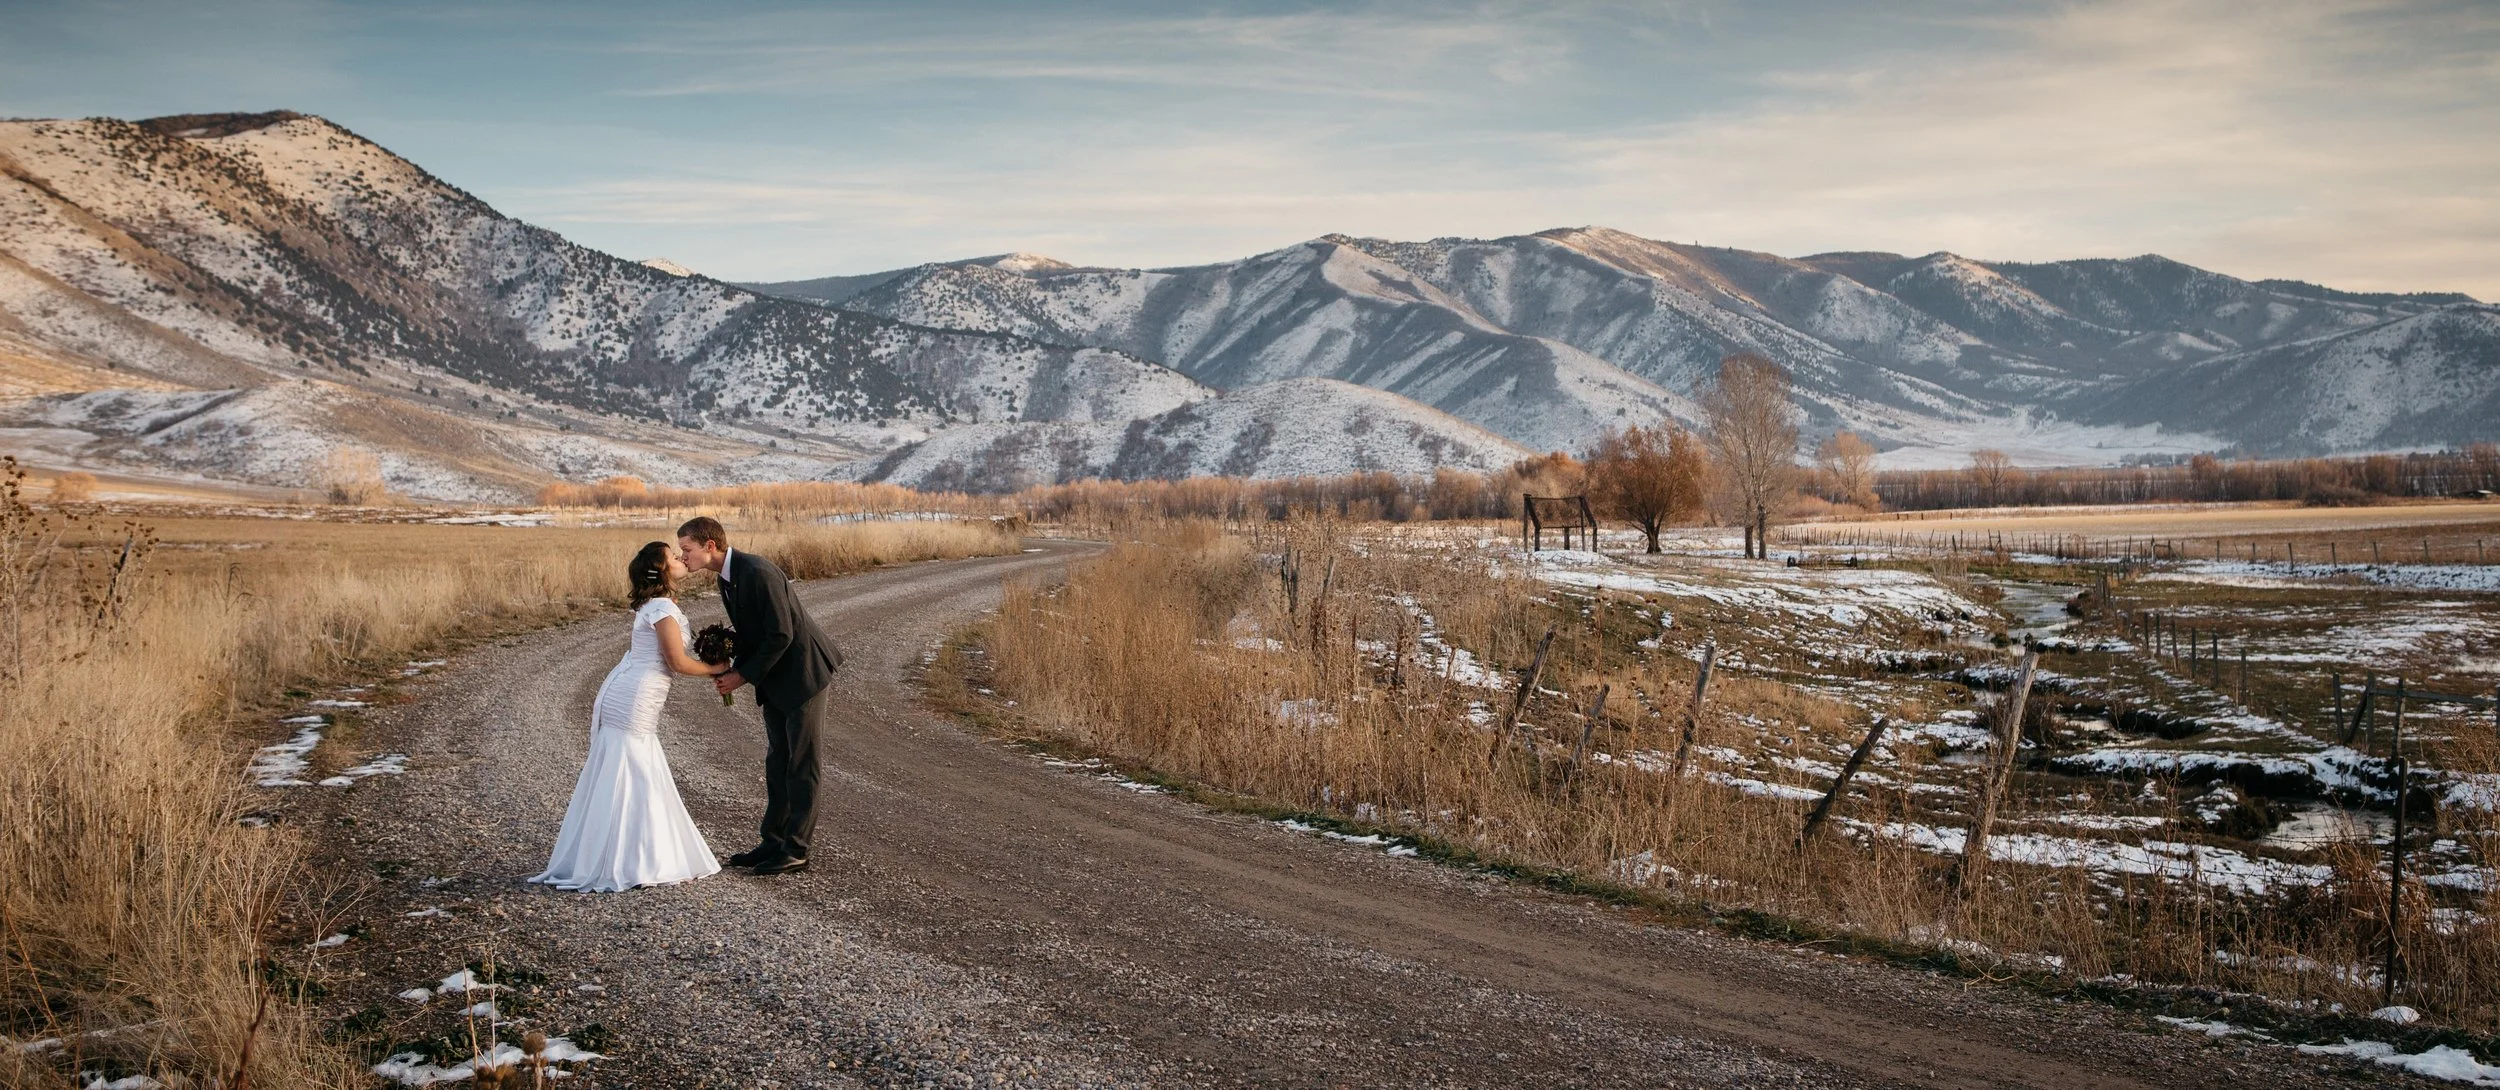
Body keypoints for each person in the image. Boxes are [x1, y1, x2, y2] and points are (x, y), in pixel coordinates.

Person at [531, 542, 724, 892]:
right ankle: (633, 858)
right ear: (661, 570)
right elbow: (676, 664)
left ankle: (618, 852)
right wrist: (717, 669)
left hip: (633, 687)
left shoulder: (658, 604)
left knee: (632, 764)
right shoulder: (662, 607)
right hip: (636, 694)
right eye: (673, 555)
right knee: (635, 765)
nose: (681, 558)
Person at [676, 517, 844, 876]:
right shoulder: (727, 577)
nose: (682, 557)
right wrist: (722, 647)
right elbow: (758, 630)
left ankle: (796, 850)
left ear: (709, 546)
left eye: (686, 549)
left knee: (801, 765)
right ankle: (773, 841)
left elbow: (781, 634)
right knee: (777, 762)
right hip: (775, 680)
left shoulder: (757, 571)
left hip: (803, 675)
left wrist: (739, 676)